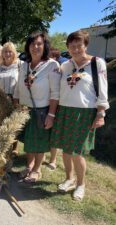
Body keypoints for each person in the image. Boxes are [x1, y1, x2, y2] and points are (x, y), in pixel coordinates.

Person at [51, 31, 109, 201]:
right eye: (72, 46)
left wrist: (100, 113)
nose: (76, 49)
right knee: (66, 149)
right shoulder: (65, 66)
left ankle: (80, 185)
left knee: (78, 152)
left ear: (86, 45)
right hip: (65, 110)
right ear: (67, 47)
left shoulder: (96, 63)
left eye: (79, 45)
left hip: (84, 113)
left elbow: (102, 90)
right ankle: (69, 178)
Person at [13, 32, 61, 183]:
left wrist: (51, 115)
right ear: (28, 47)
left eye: (39, 44)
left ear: (45, 46)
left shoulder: (52, 65)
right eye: (32, 44)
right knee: (29, 141)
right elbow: (18, 88)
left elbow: (55, 93)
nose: (35, 47)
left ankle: (36, 170)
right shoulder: (24, 65)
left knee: (39, 142)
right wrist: (16, 104)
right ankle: (29, 166)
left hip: (41, 110)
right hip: (24, 110)